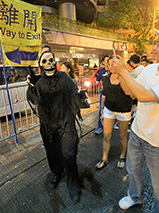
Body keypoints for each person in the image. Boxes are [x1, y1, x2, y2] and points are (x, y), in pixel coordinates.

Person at [113, 29, 159, 213]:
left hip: (158, 142)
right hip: (137, 132)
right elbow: (130, 92)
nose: (154, 47)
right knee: (133, 170)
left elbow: (143, 96)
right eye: (155, 43)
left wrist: (124, 72)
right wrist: (118, 73)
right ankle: (135, 197)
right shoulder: (150, 68)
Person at [27, 51, 90, 202]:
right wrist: (31, 87)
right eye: (44, 61)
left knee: (69, 153)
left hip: (66, 122)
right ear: (40, 65)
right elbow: (34, 100)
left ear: (55, 62)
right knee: (52, 152)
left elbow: (74, 92)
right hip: (48, 125)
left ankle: (73, 183)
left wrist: (80, 96)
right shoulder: (39, 82)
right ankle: (56, 172)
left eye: (51, 60)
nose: (48, 63)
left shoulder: (64, 77)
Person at [95, 56, 132, 169]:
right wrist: (101, 109)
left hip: (123, 111)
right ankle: (104, 158)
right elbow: (104, 94)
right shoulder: (106, 78)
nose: (111, 66)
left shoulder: (126, 77)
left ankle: (122, 156)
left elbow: (130, 93)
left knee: (122, 136)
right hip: (109, 110)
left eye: (114, 64)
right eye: (109, 64)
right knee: (106, 135)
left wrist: (122, 76)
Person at [95, 55, 109, 134]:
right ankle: (100, 126)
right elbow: (97, 81)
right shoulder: (100, 72)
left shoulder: (113, 70)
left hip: (113, 93)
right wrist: (101, 87)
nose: (108, 62)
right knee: (102, 108)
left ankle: (113, 123)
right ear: (103, 62)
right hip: (103, 93)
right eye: (106, 60)